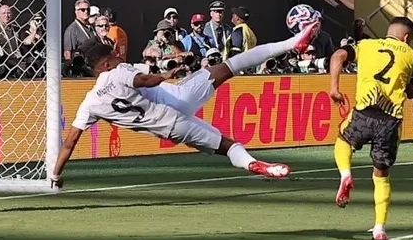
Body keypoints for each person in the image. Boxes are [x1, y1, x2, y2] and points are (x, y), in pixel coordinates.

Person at [50, 20, 321, 188]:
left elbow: (70, 142)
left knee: (228, 146)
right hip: (178, 97)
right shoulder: (117, 72)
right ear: (106, 63)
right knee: (232, 65)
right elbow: (144, 80)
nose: (119, 58)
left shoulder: (90, 102)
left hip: (170, 127)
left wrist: (56, 175)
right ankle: (292, 43)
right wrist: (164, 75)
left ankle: (253, 164)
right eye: (114, 56)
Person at [329, 16, 413, 240]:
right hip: (390, 119)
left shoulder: (366, 45)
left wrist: (334, 88)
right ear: (406, 37)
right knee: (381, 174)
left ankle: (346, 174)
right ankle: (379, 228)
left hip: (365, 110)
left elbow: (338, 55)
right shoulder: (411, 55)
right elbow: (411, 93)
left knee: (343, 140)